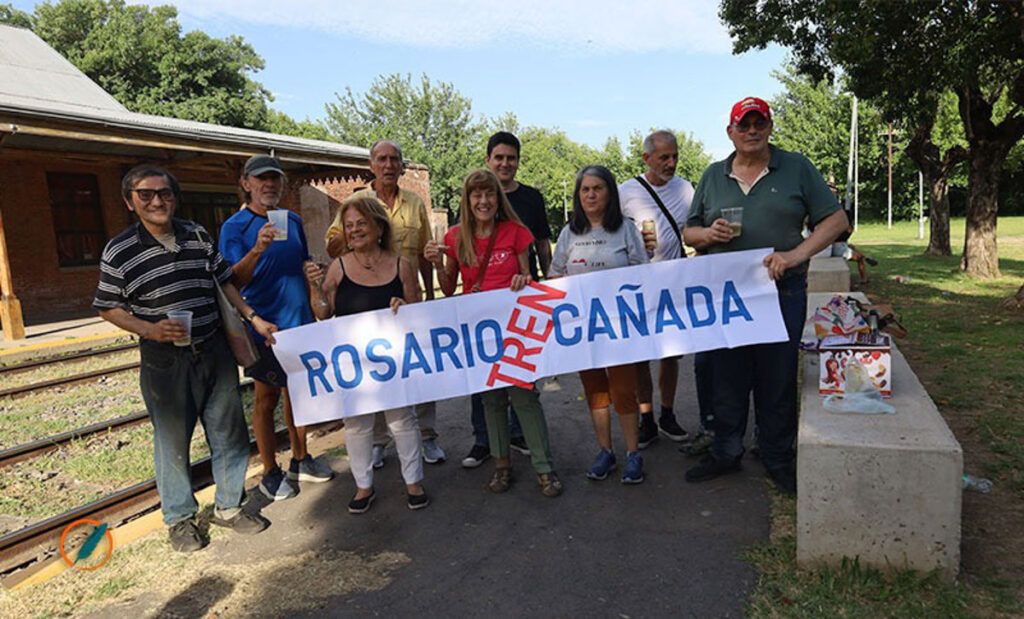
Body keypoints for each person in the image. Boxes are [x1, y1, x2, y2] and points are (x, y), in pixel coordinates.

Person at [94, 165, 273, 552]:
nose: (157, 201)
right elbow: (108, 306)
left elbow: (225, 282)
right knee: (173, 441)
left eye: (165, 193)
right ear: (130, 202)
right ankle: (180, 519)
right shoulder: (120, 250)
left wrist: (254, 318)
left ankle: (229, 506)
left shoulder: (196, 234)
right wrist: (149, 329)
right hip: (164, 360)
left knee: (229, 432)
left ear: (174, 197)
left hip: (213, 348)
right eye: (146, 194)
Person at [683, 97, 849, 494]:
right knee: (727, 376)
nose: (752, 131)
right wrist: (708, 234)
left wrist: (794, 255)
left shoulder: (796, 167)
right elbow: (689, 233)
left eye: (760, 123)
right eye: (744, 125)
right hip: (728, 297)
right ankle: (726, 451)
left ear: (770, 127)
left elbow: (837, 220)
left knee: (776, 377)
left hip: (781, 291)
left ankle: (776, 456)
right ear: (731, 132)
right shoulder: (713, 175)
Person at [424, 169, 563, 497]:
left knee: (525, 396)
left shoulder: (516, 232)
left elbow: (529, 278)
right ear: (467, 200)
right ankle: (501, 467)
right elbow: (448, 288)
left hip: (517, 328)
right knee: (492, 400)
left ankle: (544, 468)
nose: (483, 201)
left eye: (489, 195)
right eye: (476, 195)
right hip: (480, 331)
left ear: (497, 199)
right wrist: (435, 264)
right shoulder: (455, 237)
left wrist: (522, 280)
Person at [219, 155, 334, 502]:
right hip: (263, 326)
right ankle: (270, 471)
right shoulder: (235, 227)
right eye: (262, 179)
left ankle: (301, 459)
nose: (270, 185)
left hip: (300, 322)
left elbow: (298, 263)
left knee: (299, 395)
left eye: (275, 180)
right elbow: (231, 281)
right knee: (265, 398)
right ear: (246, 183)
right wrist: (257, 249)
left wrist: (312, 275)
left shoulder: (293, 221)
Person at [324, 140, 445, 467]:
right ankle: (378, 442)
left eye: (394, 159)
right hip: (366, 302)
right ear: (371, 165)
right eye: (382, 159)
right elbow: (334, 247)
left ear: (402, 166)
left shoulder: (415, 202)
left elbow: (422, 253)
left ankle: (428, 437)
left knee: (416, 368)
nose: (388, 165)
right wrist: (349, 229)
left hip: (402, 300)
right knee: (374, 374)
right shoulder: (355, 202)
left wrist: (428, 299)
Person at [307, 195, 429, 513]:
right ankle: (363, 487)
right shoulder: (338, 267)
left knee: (402, 420)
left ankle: (413, 483)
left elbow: (417, 309)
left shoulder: (402, 264)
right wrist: (315, 287)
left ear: (378, 226)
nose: (355, 231)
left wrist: (404, 307)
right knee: (357, 425)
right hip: (354, 365)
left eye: (361, 223)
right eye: (349, 226)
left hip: (394, 362)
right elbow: (323, 313)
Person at [548, 165, 650, 484]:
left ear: (610, 192)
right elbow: (555, 275)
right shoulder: (569, 233)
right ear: (578, 196)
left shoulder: (625, 229)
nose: (591, 194)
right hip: (583, 329)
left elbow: (643, 273)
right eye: (585, 190)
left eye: (598, 188)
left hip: (619, 328)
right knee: (595, 391)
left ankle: (634, 454)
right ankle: (605, 450)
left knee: (623, 390)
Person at [456, 131, 552, 468]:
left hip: (518, 299)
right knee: (485, 388)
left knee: (522, 382)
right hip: (479, 313)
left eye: (511, 158)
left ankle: (520, 437)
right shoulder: (469, 208)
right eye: (499, 157)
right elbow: (459, 258)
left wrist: (546, 282)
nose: (505, 163)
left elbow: (540, 244)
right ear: (489, 160)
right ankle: (485, 442)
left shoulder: (531, 199)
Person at [618, 130, 702, 451]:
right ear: (646, 158)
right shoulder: (626, 192)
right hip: (637, 287)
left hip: (674, 283)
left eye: (675, 156)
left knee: (671, 353)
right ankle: (646, 418)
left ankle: (667, 414)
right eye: (664, 157)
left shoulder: (685, 189)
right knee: (640, 357)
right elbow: (613, 233)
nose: (671, 163)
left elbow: (693, 229)